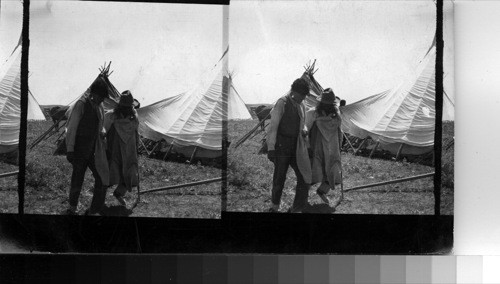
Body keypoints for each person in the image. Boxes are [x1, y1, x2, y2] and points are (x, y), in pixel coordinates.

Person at [65, 77, 110, 215]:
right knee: (77, 178)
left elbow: (101, 126)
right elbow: (71, 128)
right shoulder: (81, 104)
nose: (102, 100)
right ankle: (72, 207)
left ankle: (95, 208)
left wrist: (102, 132)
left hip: (94, 149)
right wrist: (70, 150)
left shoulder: (100, 107)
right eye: (101, 97)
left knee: (102, 177)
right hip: (79, 149)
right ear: (94, 93)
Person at [266, 78, 312, 213]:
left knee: (304, 176)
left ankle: (296, 207)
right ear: (294, 91)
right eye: (302, 95)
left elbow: (302, 121)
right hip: (282, 145)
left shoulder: (301, 105)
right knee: (279, 177)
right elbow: (273, 127)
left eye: (304, 95)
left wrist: (304, 129)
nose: (303, 98)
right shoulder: (282, 103)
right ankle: (274, 206)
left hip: (296, 145)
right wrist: (271, 148)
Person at [305, 88, 343, 205]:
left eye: (329, 104)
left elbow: (339, 131)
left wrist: (339, 146)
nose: (327, 106)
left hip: (332, 148)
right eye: (325, 104)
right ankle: (303, 199)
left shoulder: (336, 115)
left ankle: (322, 191)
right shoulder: (312, 113)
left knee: (333, 173)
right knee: (312, 174)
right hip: (317, 149)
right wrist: (307, 147)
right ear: (321, 103)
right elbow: (305, 129)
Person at [104, 90, 140, 208]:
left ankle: (118, 193)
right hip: (117, 150)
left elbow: (136, 133)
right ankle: (100, 199)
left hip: (128, 150)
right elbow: (103, 132)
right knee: (111, 174)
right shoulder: (112, 116)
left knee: (127, 173)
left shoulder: (132, 117)